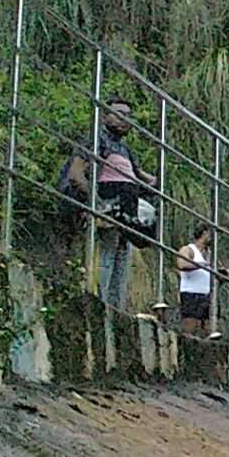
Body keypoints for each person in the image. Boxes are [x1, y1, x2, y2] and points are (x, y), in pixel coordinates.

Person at [90, 104, 158, 316]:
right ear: (104, 116)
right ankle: (102, 304)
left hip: (128, 205)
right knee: (109, 251)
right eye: (118, 114)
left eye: (128, 115)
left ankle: (116, 307)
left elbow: (141, 176)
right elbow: (83, 170)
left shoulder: (125, 150)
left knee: (123, 252)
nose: (124, 119)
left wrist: (157, 179)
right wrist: (95, 202)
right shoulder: (98, 140)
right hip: (111, 202)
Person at [175, 223, 223, 339]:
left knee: (210, 328)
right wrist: (203, 264)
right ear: (204, 233)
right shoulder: (188, 249)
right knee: (190, 328)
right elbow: (182, 264)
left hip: (208, 295)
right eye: (211, 234)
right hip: (191, 293)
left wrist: (222, 275)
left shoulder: (211, 254)